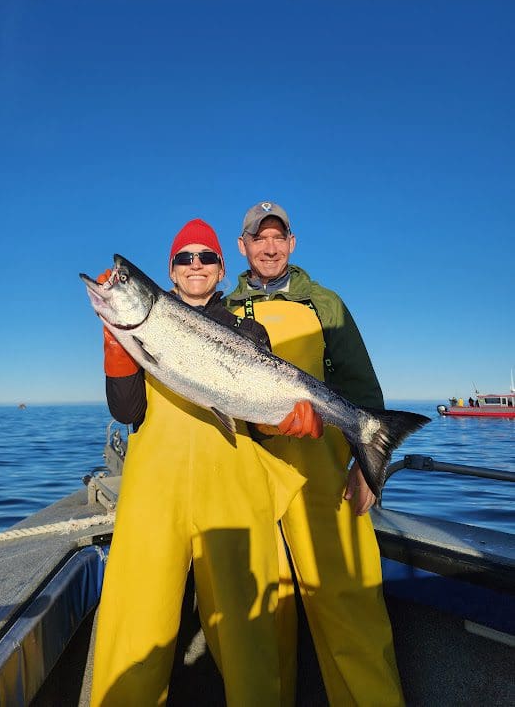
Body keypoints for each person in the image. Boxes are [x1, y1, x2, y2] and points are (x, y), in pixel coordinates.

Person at [90, 218, 322, 707]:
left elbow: (255, 418)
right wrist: (117, 346)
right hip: (155, 496)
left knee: (248, 633)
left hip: (232, 495)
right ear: (170, 271)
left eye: (207, 257)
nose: (195, 265)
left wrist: (284, 421)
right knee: (134, 627)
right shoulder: (141, 325)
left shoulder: (247, 330)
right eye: (184, 258)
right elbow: (127, 411)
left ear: (221, 270)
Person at [225, 201, 404, 706]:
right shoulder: (223, 307)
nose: (269, 247)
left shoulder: (325, 304)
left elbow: (362, 389)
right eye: (259, 238)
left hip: (321, 475)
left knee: (350, 607)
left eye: (278, 237)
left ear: (292, 243)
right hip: (249, 474)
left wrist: (368, 469)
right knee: (262, 617)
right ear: (242, 246)